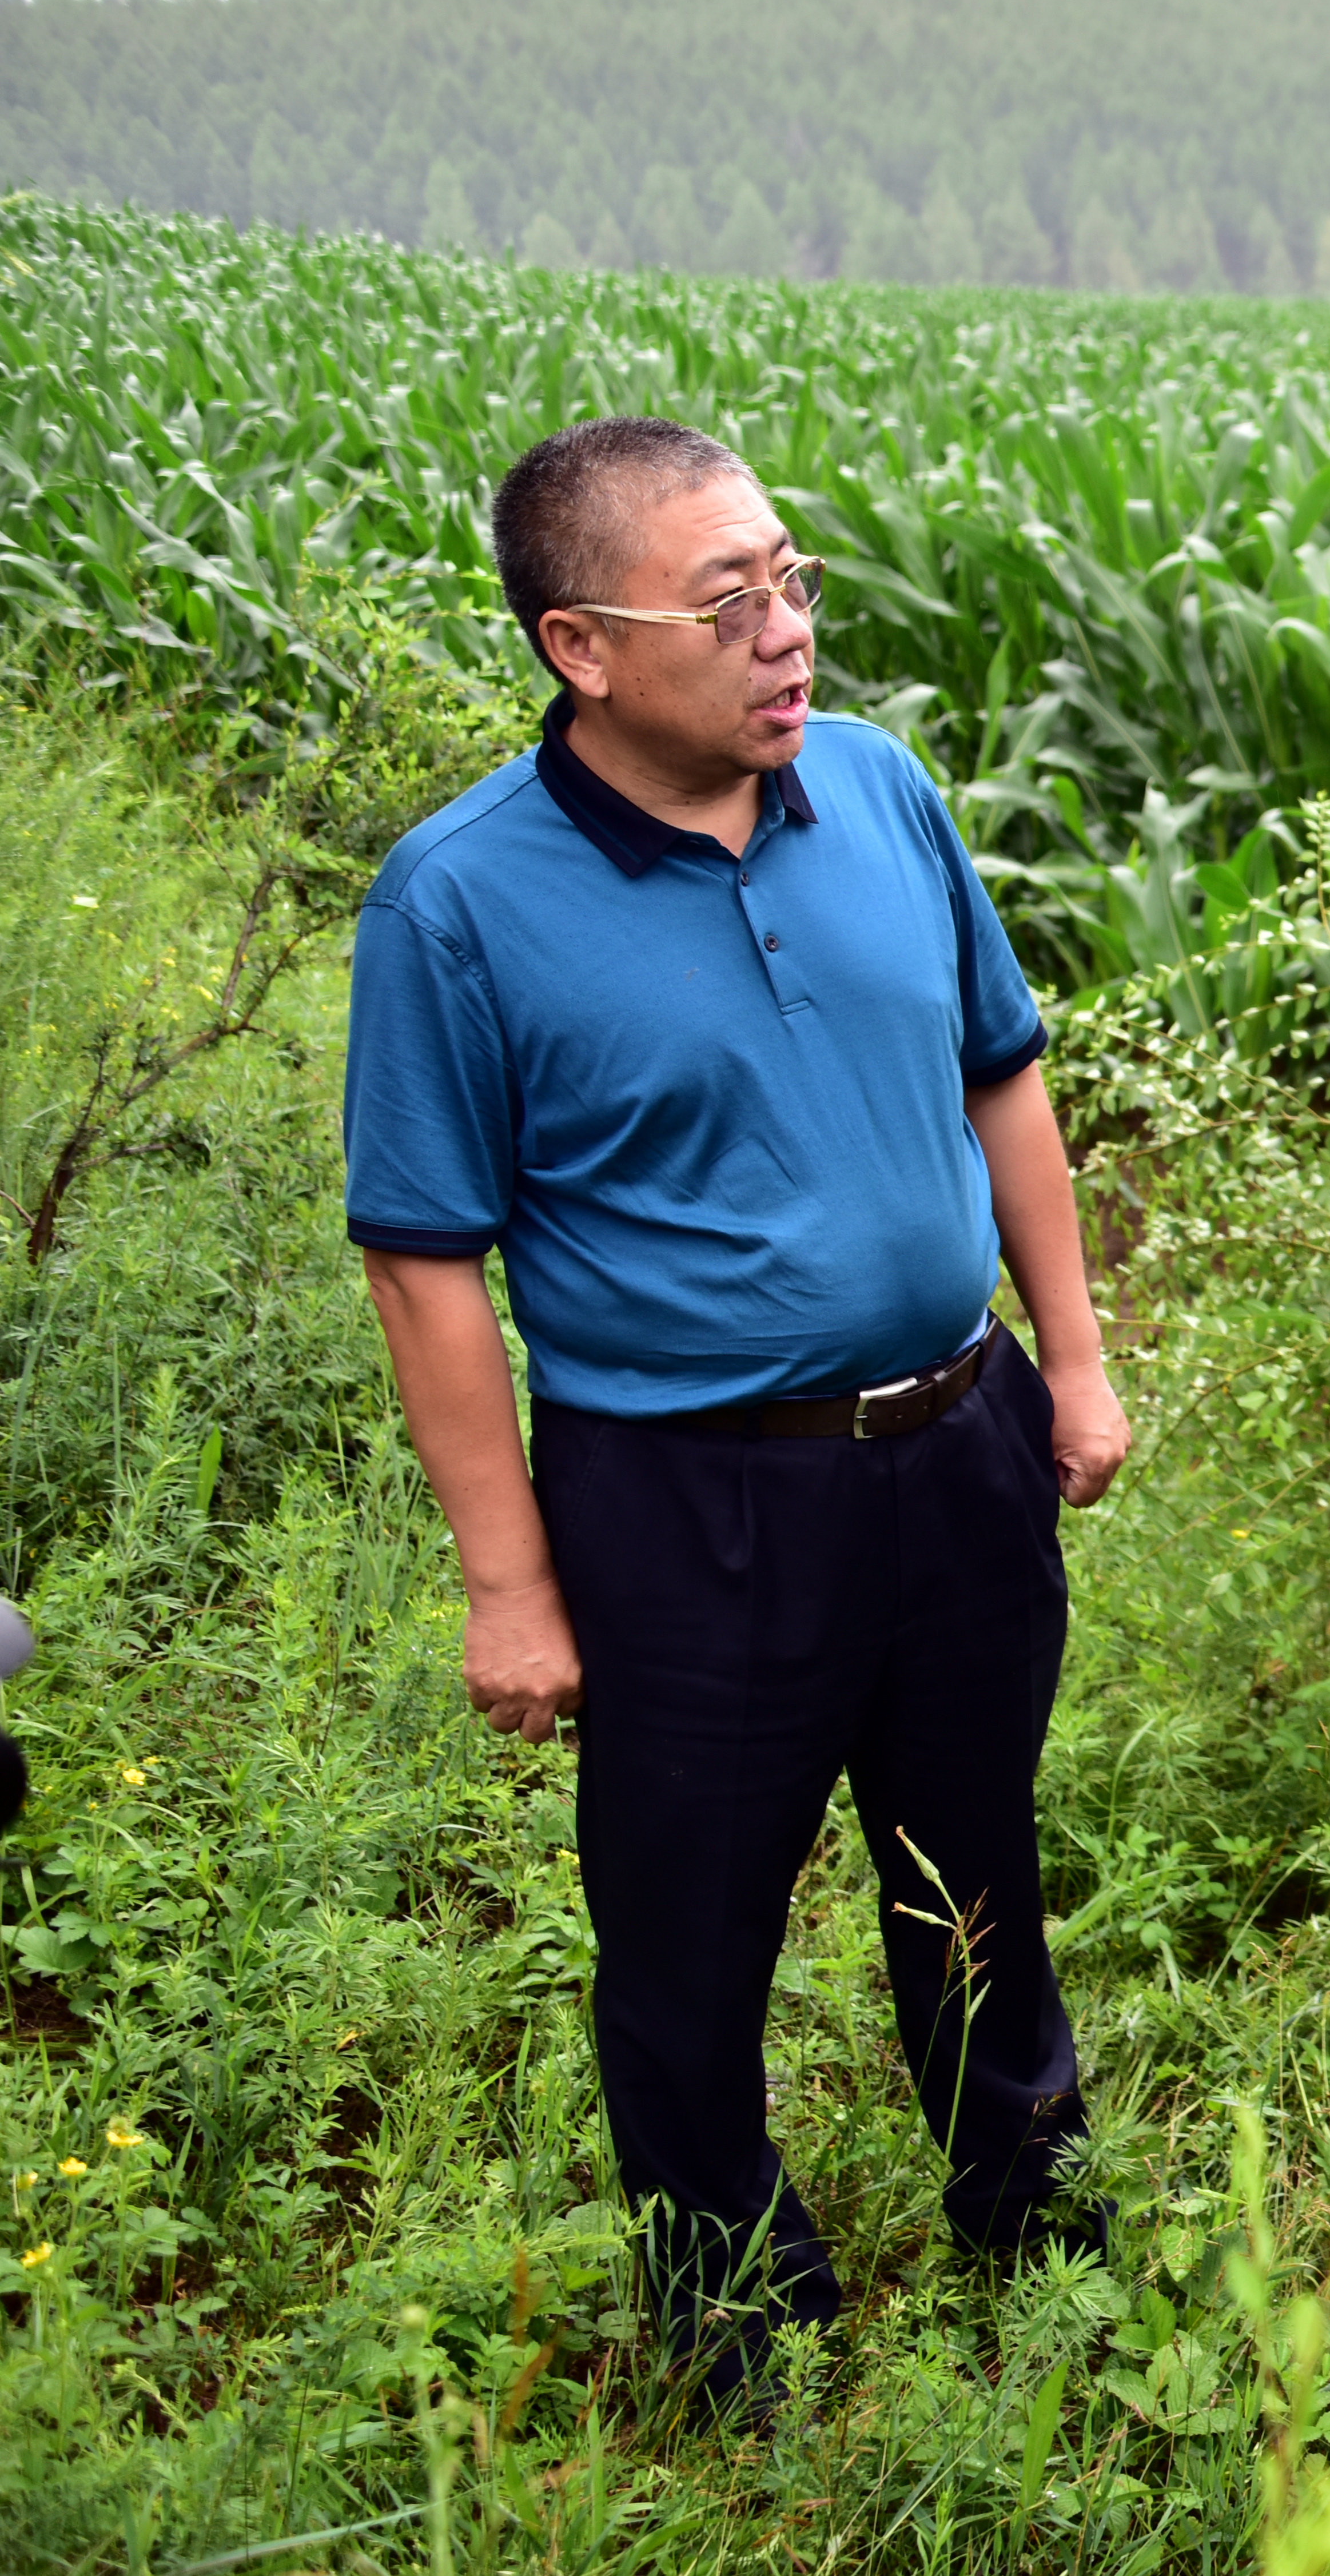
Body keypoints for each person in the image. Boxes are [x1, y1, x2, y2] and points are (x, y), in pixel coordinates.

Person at [344, 417, 1135, 2417]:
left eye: (792, 582)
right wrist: (509, 1583)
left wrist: (1077, 1353)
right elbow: (427, 1260)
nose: (786, 634)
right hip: (688, 1499)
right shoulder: (456, 905)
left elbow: (1002, 1080)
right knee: (687, 1936)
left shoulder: (877, 790)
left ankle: (1033, 2243)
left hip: (957, 1451)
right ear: (579, 649)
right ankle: (736, 2324)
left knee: (976, 1874)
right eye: (729, 604)